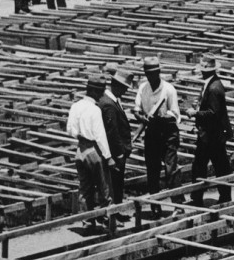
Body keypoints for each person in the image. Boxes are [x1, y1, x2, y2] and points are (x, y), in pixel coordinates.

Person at [189, 55, 234, 207]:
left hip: (211, 135)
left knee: (204, 166)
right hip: (212, 134)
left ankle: (200, 197)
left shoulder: (214, 88)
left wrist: (195, 113)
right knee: (217, 165)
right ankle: (221, 196)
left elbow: (213, 113)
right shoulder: (212, 84)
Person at [134, 56, 181, 196]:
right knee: (152, 170)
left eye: (154, 74)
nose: (151, 77)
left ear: (159, 72)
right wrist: (142, 117)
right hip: (152, 132)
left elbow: (175, 115)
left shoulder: (168, 89)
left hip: (167, 132)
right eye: (148, 74)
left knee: (170, 169)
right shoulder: (143, 88)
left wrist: (162, 117)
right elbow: (137, 110)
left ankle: (178, 204)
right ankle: (155, 205)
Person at [66, 74, 111, 216]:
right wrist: (108, 157)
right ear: (95, 91)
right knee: (103, 187)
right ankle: (108, 219)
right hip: (94, 150)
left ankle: (87, 221)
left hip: (80, 150)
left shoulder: (75, 106)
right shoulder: (95, 109)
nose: (102, 95)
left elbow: (70, 130)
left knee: (85, 189)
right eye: (101, 91)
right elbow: (100, 136)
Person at [99, 67, 133, 207]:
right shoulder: (108, 104)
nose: (125, 91)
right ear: (117, 86)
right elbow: (112, 132)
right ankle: (114, 214)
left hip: (117, 151)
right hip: (115, 153)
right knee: (114, 183)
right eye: (124, 88)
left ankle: (116, 212)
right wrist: (119, 153)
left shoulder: (113, 100)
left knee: (117, 183)